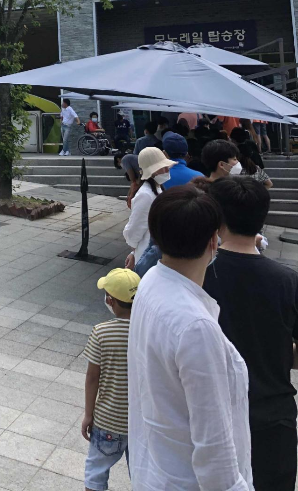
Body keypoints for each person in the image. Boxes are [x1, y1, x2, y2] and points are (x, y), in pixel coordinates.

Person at [128, 185, 253, 491]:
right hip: (185, 481)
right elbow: (215, 457)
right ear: (214, 240)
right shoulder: (196, 327)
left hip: (156, 470)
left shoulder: (151, 281)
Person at [204, 177, 298, 491]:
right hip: (273, 417)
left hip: (214, 416)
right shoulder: (288, 281)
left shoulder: (201, 275)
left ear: (217, 217)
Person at [81, 268, 140, 491]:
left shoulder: (101, 333)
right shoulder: (148, 332)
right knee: (141, 476)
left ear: (110, 300)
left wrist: (88, 414)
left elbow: (92, 378)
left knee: (96, 473)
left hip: (107, 421)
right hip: (140, 422)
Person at [123, 147, 174, 265]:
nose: (167, 170)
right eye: (162, 167)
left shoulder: (157, 188)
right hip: (147, 255)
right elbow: (133, 231)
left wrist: (133, 252)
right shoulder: (145, 195)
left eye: (167, 166)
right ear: (152, 171)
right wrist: (134, 252)